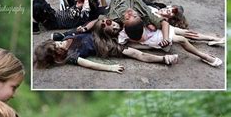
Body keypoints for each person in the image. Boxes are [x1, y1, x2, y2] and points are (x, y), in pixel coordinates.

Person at [34, 17, 178, 72]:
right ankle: (164, 59)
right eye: (59, 47)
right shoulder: (71, 55)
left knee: (112, 22)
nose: (61, 44)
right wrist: (110, 68)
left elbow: (81, 30)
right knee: (132, 52)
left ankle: (154, 32)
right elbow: (89, 64)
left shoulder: (68, 38)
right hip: (102, 44)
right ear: (58, 55)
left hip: (98, 32)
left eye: (58, 43)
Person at [119, 21, 223, 67]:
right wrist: (146, 46)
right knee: (181, 39)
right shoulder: (122, 35)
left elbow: (163, 23)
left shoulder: (137, 18)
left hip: (160, 31)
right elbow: (127, 46)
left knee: (187, 33)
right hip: (157, 38)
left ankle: (213, 39)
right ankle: (204, 56)